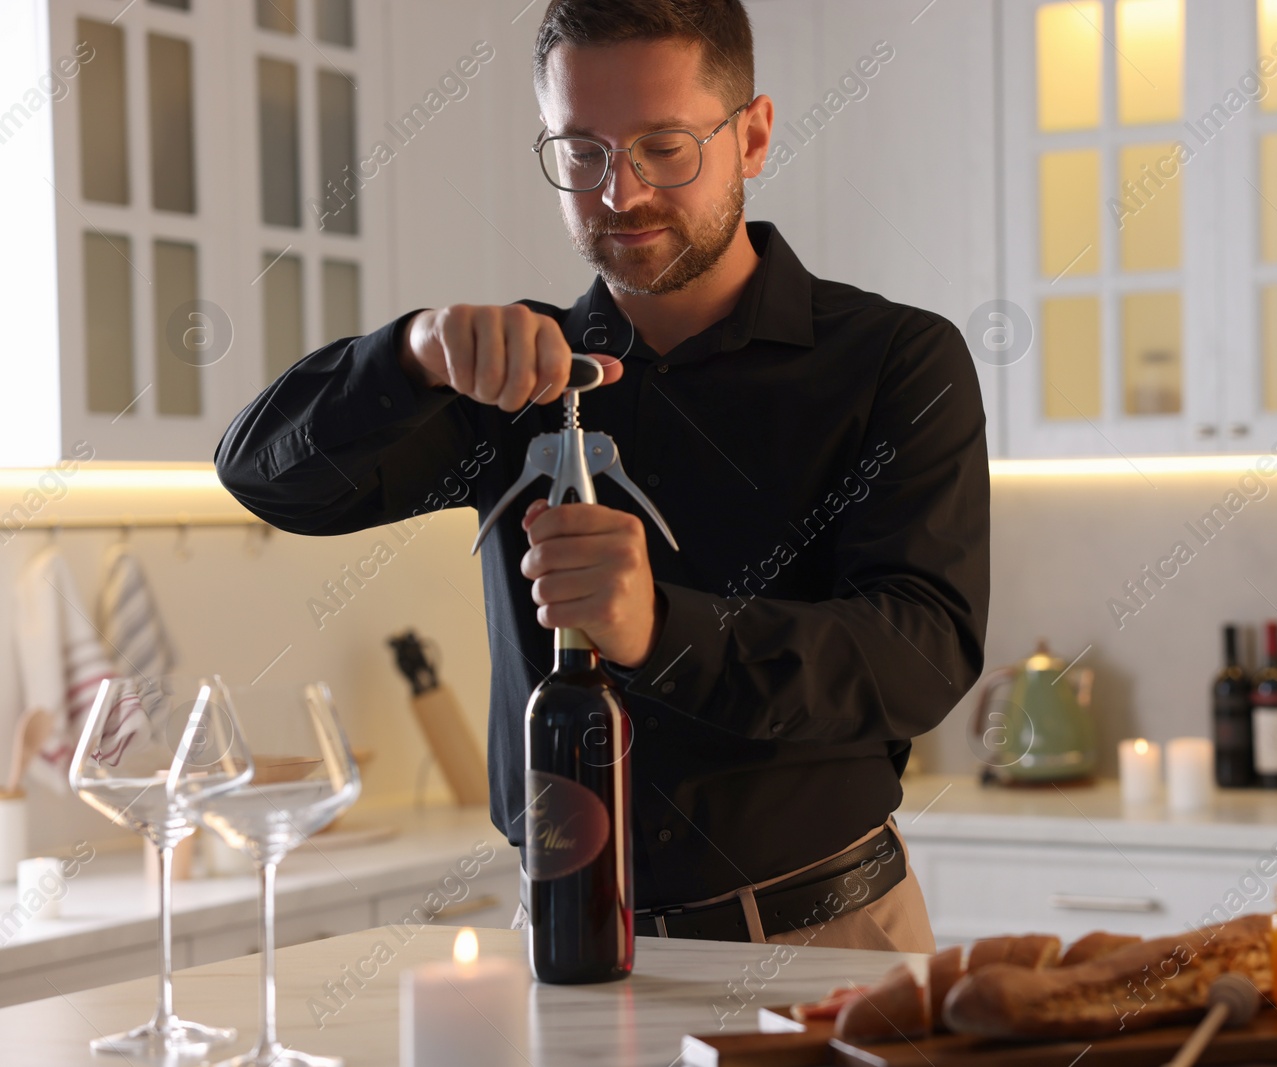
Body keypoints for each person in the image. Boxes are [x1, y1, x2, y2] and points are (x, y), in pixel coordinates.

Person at [215, 0, 988, 954]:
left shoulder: (895, 360)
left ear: (752, 135)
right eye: (581, 152)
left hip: (821, 941)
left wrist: (661, 630)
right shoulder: (505, 373)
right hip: (555, 938)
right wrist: (409, 352)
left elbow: (923, 652)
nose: (620, 194)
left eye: (665, 147)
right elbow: (265, 478)